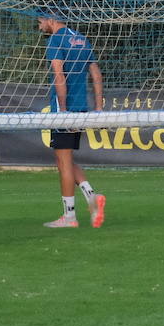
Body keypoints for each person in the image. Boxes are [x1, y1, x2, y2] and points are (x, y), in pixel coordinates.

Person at [37, 14, 107, 229]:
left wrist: (63, 110)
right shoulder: (81, 39)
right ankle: (91, 197)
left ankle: (69, 217)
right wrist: (98, 107)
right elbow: (96, 74)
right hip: (82, 107)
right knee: (62, 158)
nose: (38, 26)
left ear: (50, 19)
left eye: (39, 21)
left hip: (65, 108)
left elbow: (59, 76)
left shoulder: (55, 40)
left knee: (64, 162)